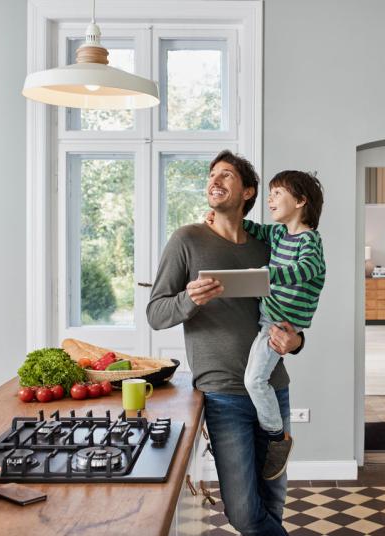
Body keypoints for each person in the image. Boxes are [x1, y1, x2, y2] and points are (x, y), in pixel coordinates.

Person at [146, 150, 304, 536]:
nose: (215, 180)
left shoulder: (268, 245)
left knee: (272, 505)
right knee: (245, 514)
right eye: (211, 175)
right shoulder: (187, 239)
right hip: (222, 397)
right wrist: (190, 299)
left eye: (227, 175)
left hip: (273, 388)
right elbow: (156, 313)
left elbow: (291, 308)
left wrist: (296, 341)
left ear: (248, 191)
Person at [208, 170, 326, 481]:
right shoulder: (277, 234)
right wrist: (219, 219)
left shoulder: (310, 241)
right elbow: (253, 228)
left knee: (254, 381)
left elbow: (307, 269)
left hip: (277, 325)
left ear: (300, 201)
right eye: (270, 193)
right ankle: (274, 432)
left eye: (277, 194)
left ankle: (277, 437)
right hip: (270, 318)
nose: (270, 200)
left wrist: (266, 276)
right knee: (255, 380)